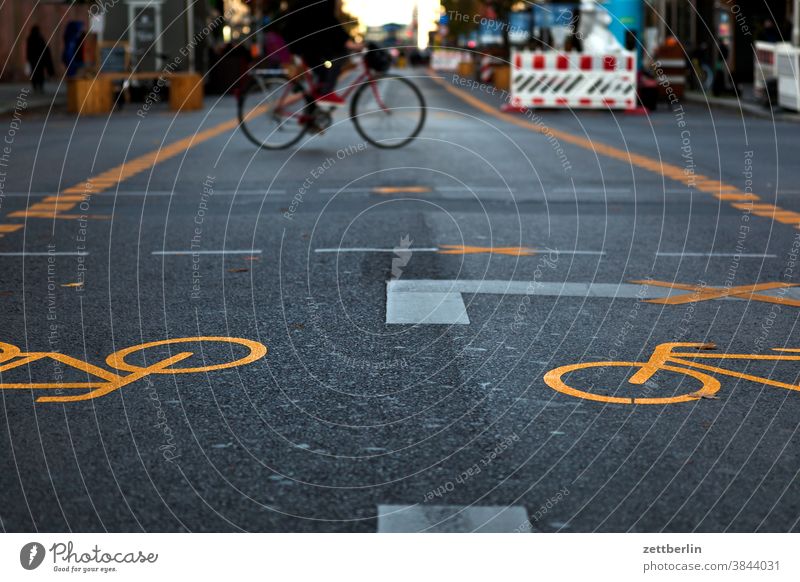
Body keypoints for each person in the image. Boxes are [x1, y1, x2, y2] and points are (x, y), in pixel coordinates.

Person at [279, 0, 358, 104]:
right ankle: (326, 93)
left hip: (300, 36)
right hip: (303, 37)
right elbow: (327, 19)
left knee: (323, 72)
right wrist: (346, 41)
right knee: (341, 54)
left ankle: (314, 108)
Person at [26, 26, 54, 93]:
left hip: (33, 60)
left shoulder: (30, 39)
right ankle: (40, 86)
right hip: (40, 59)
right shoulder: (40, 38)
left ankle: (35, 86)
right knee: (40, 73)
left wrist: (28, 58)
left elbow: (28, 50)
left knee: (34, 73)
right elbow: (44, 48)